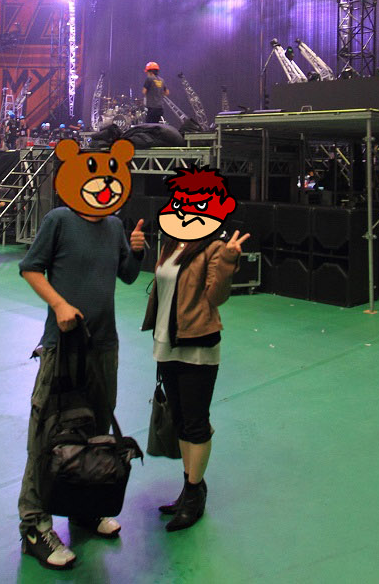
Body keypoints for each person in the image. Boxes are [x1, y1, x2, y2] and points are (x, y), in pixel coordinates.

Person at [17, 139, 144, 571]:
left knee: (95, 429)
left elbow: (128, 276)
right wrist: (59, 304)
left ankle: (84, 509)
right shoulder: (59, 220)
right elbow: (30, 268)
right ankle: (34, 526)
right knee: (48, 435)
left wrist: (137, 249)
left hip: (104, 347)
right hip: (64, 347)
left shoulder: (114, 224)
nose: (104, 183)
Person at [144, 167, 247, 532]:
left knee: (196, 421)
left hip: (198, 345)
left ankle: (194, 495)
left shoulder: (214, 247)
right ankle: (190, 487)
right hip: (167, 342)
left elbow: (217, 297)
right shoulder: (172, 243)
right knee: (180, 421)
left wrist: (229, 261)